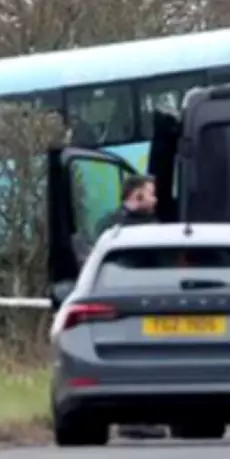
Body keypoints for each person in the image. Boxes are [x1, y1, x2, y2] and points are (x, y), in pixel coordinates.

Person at [94, 175, 166, 441]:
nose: (155, 199)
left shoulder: (110, 226)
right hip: (128, 301)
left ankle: (142, 417)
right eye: (150, 194)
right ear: (136, 196)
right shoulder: (124, 228)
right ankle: (134, 419)